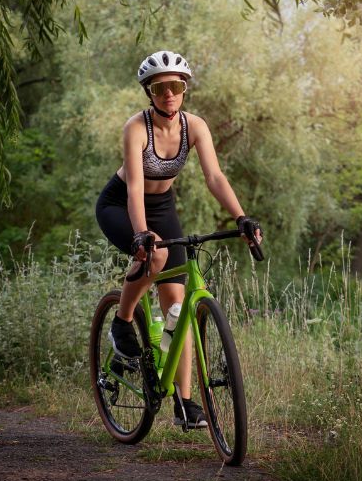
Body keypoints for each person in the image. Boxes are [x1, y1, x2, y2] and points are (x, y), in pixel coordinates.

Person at [95, 50, 263, 428]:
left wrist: (241, 217)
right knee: (152, 256)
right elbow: (135, 188)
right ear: (149, 92)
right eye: (160, 87)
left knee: (177, 308)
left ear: (184, 89)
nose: (168, 93)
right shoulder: (136, 128)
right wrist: (141, 234)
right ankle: (122, 322)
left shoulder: (196, 126)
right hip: (120, 205)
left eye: (175, 86)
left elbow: (215, 178)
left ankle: (185, 404)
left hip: (163, 206)